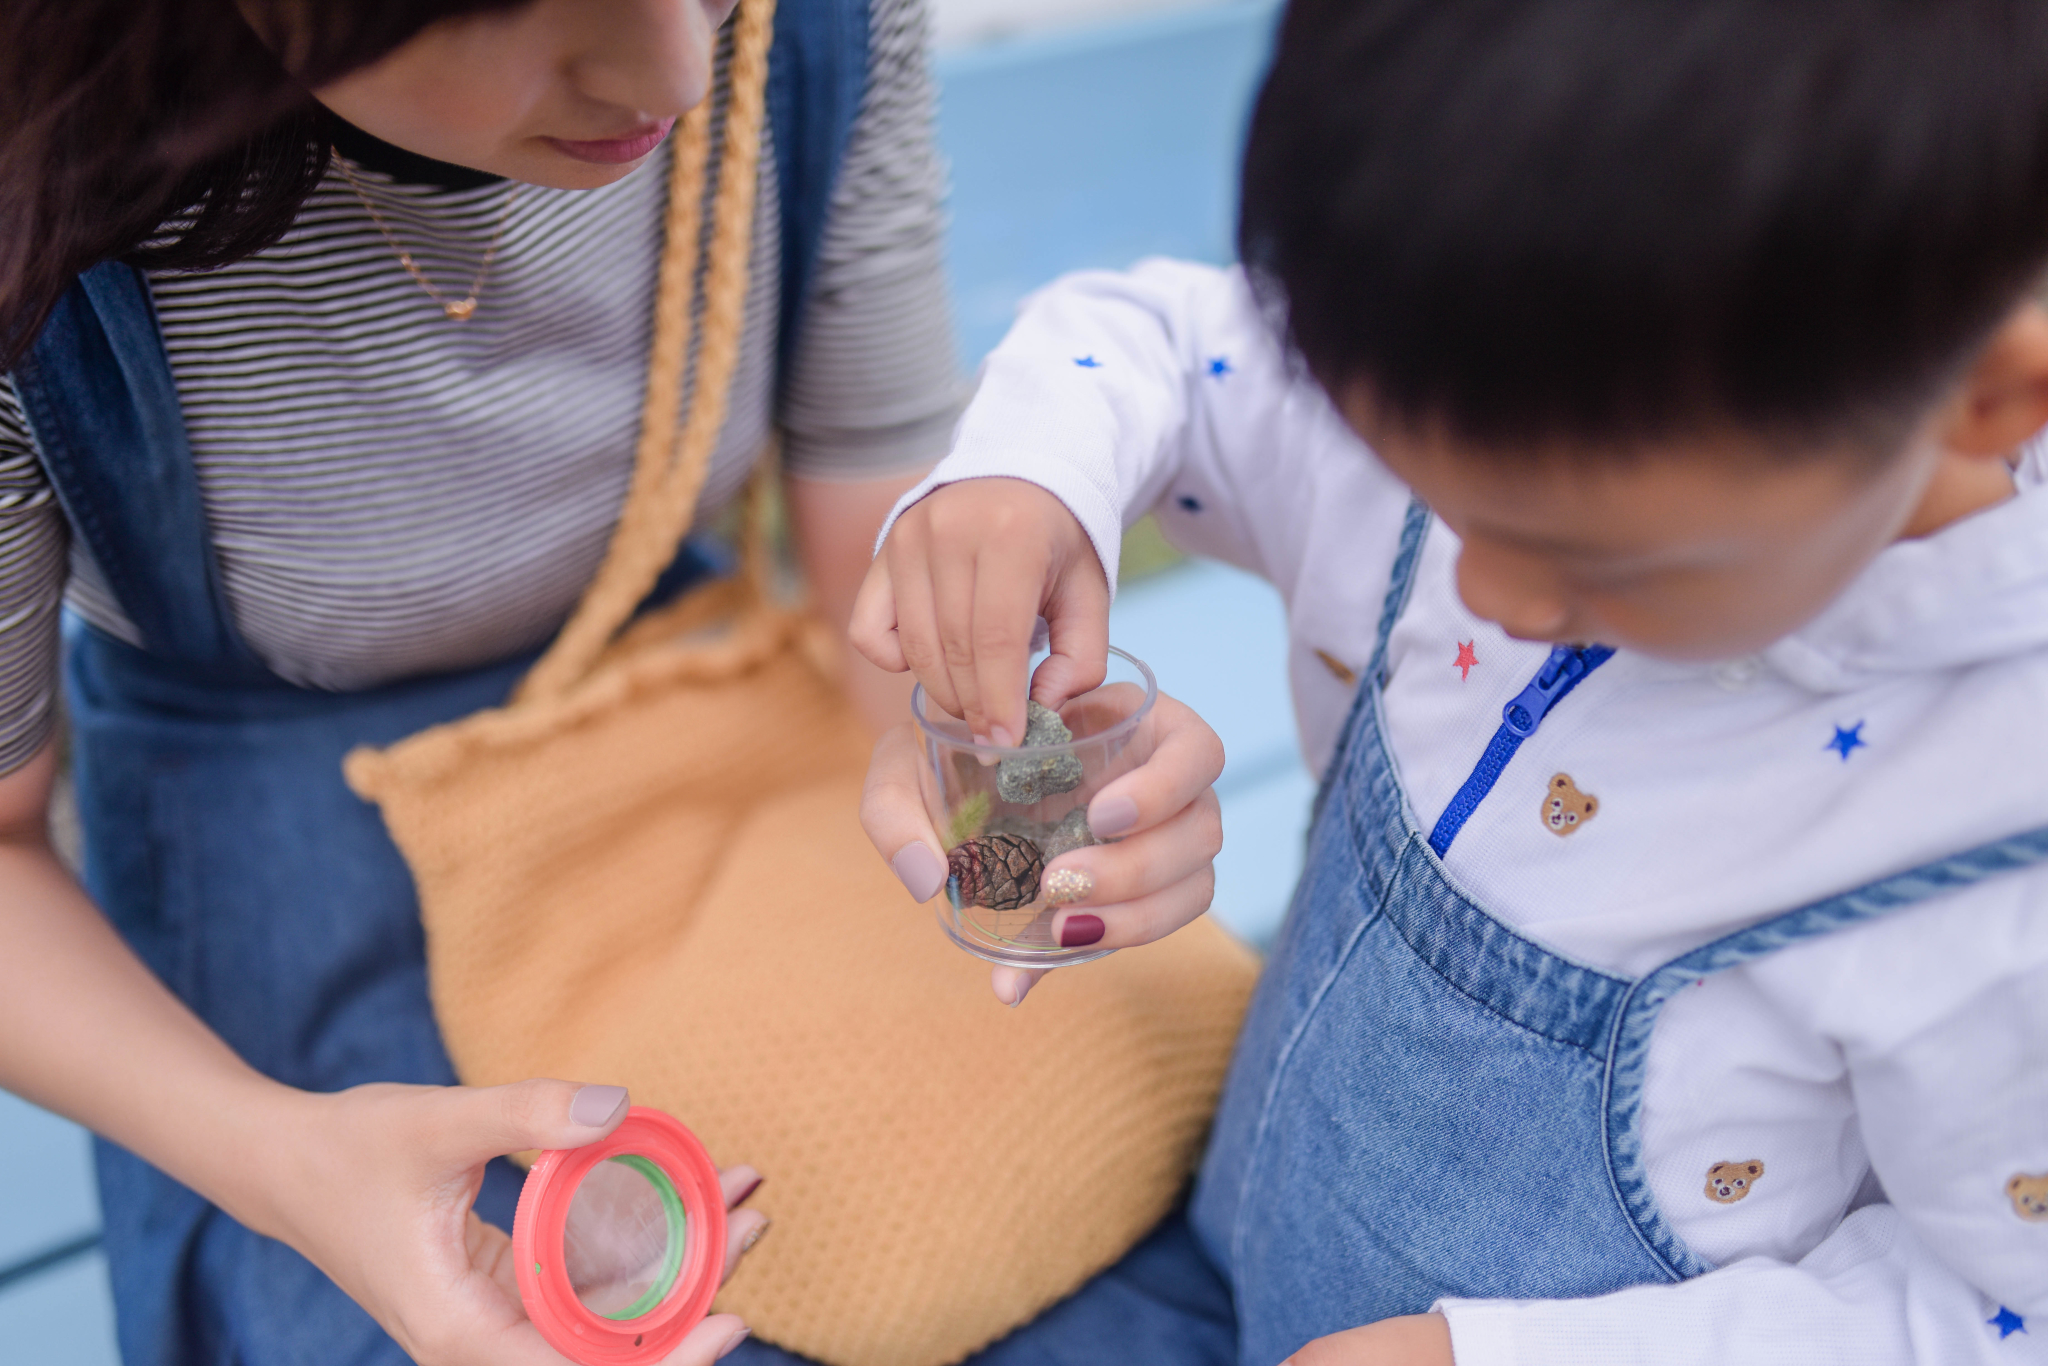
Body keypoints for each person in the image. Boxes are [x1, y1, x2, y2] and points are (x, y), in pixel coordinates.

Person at [854, 0, 2048, 1362]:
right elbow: (1162, 345)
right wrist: (1029, 481)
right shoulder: (1481, 354)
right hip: (1220, 1247)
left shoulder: (1997, 834)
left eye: (1596, 558)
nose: (1491, 599)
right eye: (1433, 489)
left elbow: (1986, 1309)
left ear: (1986, 400)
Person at [0, 0, 983, 1362]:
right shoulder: (31, 202)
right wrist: (289, 1162)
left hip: (693, 707)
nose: (680, 75)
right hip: (268, 798)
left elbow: (887, 555)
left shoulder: (806, 30)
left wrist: (1011, 810)